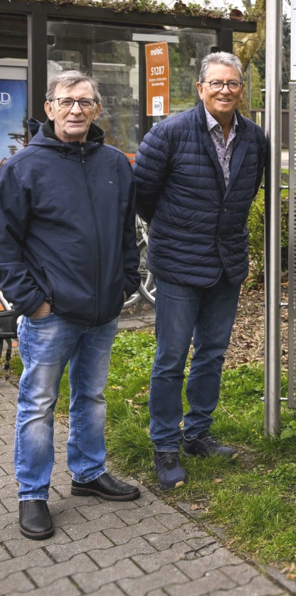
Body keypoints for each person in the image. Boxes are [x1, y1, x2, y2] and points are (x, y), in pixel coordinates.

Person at [0, 71, 141, 540]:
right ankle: (32, 494)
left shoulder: (114, 163)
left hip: (103, 309)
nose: (75, 110)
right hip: (51, 313)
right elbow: (4, 244)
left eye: (84, 102)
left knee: (92, 396)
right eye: (66, 101)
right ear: (50, 108)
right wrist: (31, 302)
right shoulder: (24, 167)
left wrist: (126, 282)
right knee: (38, 404)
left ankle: (88, 473)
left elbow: (126, 230)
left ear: (97, 109)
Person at [134, 51, 266, 490]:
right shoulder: (169, 133)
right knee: (171, 358)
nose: (225, 90)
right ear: (200, 88)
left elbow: (246, 193)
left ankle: (197, 435)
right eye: (216, 83)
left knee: (212, 354)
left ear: (241, 89)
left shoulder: (255, 138)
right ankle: (165, 445)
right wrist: (180, 232)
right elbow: (143, 196)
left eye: (232, 83)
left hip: (227, 264)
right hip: (178, 263)